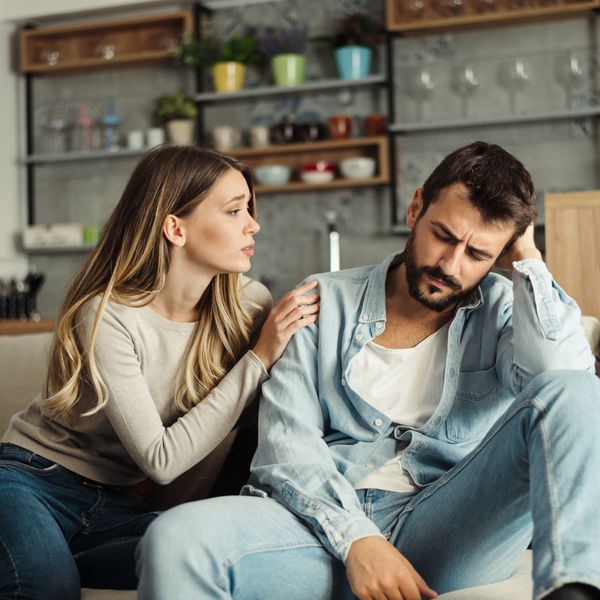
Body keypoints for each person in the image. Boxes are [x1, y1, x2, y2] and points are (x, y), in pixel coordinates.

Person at [137, 141, 600, 600]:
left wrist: (528, 259)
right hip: (318, 528)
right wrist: (356, 538)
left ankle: (575, 592)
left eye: (478, 254)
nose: (450, 265)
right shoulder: (322, 299)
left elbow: (563, 387)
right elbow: (287, 445)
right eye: (443, 235)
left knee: (573, 388)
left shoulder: (505, 312)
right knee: (174, 538)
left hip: (450, 530)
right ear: (415, 208)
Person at [0, 145, 319, 600]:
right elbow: (162, 459)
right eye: (233, 211)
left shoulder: (249, 305)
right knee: (48, 587)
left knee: (205, 554)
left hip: (119, 506)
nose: (254, 224)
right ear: (175, 227)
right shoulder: (108, 316)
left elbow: (228, 432)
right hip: (33, 482)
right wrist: (258, 360)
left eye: (248, 208)